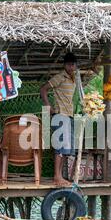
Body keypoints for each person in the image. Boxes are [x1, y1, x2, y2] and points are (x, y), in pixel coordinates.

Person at [40, 52, 77, 186]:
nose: (71, 67)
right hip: (60, 115)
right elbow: (43, 89)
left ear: (75, 66)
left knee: (65, 149)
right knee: (60, 147)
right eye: (68, 64)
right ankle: (57, 177)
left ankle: (59, 177)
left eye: (73, 64)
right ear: (64, 65)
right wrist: (48, 106)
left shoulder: (73, 78)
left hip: (69, 115)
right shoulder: (60, 77)